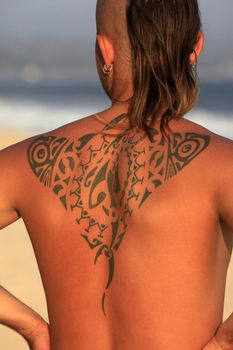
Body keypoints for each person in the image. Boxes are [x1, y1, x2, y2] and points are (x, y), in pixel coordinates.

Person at [0, 0, 233, 349]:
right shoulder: (220, 165)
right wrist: (223, 342)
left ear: (104, 49)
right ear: (195, 47)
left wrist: (31, 326)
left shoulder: (28, 163)